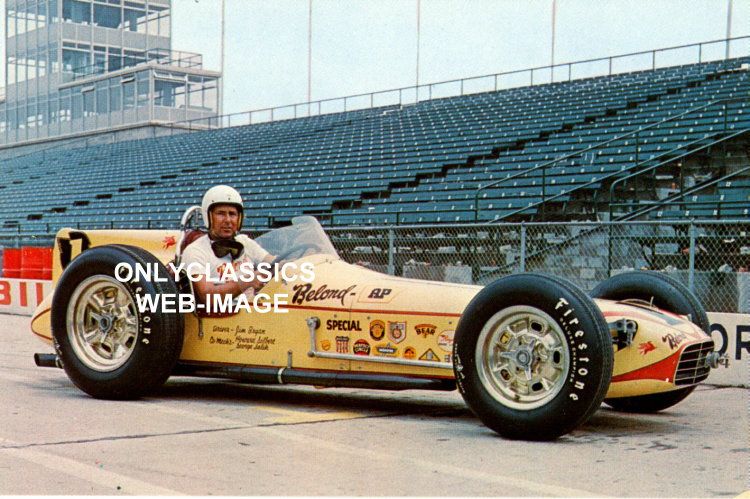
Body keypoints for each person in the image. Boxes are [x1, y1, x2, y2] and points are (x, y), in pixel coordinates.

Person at [181, 185, 275, 304]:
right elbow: (207, 296)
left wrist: (293, 262)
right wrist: (245, 282)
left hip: (253, 311)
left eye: (232, 214)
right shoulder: (196, 251)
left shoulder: (244, 242)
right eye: (221, 214)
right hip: (223, 318)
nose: (228, 220)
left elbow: (273, 262)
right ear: (208, 216)